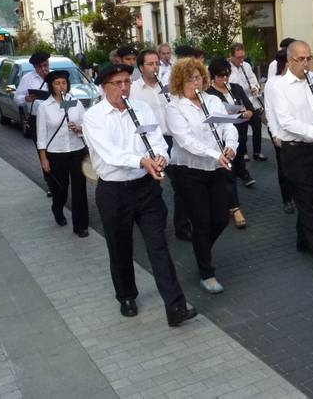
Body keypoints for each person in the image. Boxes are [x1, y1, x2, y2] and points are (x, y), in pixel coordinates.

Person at [82, 64, 197, 326]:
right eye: (117, 83)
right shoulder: (94, 117)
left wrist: (160, 159)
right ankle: (126, 296)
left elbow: (156, 139)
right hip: (113, 191)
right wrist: (141, 161)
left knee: (158, 246)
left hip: (145, 189)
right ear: (104, 87)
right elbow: (109, 154)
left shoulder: (141, 109)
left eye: (127, 82)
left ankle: (175, 306)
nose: (124, 88)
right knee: (120, 247)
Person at [166, 58, 238, 294]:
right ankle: (207, 272)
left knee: (220, 218)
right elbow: (185, 140)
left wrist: (231, 146)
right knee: (201, 221)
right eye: (190, 79)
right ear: (179, 81)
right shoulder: (174, 107)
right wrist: (214, 153)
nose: (195, 82)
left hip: (215, 168)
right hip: (188, 170)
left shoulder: (213, 100)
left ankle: (202, 248)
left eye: (198, 77)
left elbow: (229, 126)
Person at [272, 40, 313, 271]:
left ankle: (303, 239)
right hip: (295, 150)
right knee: (307, 200)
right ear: (289, 60)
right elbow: (286, 121)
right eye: (300, 59)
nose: (306, 63)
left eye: (309, 58)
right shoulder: (278, 86)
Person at [129, 49, 192, 241]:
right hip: (150, 143)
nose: (155, 67)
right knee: (154, 187)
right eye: (150, 64)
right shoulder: (133, 89)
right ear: (141, 67)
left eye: (156, 63)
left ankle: (182, 227)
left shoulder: (168, 85)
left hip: (173, 138)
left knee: (181, 185)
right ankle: (155, 225)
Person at [36, 70, 89, 237]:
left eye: (64, 83)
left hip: (76, 150)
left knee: (79, 189)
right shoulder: (44, 107)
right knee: (61, 188)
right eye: (57, 83)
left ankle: (80, 225)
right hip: (56, 152)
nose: (61, 86)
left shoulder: (75, 103)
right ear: (51, 86)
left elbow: (87, 126)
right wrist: (43, 158)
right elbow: (41, 136)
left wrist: (79, 129)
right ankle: (57, 209)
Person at [206, 58, 256, 228]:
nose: (225, 79)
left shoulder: (236, 88)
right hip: (222, 139)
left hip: (240, 134)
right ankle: (235, 209)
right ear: (213, 76)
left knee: (236, 166)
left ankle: (227, 201)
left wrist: (247, 112)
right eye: (221, 76)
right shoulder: (209, 94)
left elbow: (250, 107)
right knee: (228, 173)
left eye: (227, 75)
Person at [15, 51, 53, 196]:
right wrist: (26, 98)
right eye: (41, 66)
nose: (44, 69)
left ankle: (59, 180)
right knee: (43, 152)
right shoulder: (28, 79)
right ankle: (50, 184)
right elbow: (17, 98)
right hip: (36, 120)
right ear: (35, 67)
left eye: (46, 65)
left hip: (54, 120)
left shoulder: (54, 76)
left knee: (56, 152)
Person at [264, 49, 295, 214]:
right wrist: (275, 133)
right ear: (286, 63)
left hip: (296, 130)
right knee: (284, 165)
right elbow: (269, 109)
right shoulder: (273, 83)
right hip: (279, 130)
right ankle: (287, 198)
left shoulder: (297, 80)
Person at [228, 43, 266, 161]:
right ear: (231, 56)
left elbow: (252, 78)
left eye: (243, 57)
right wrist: (245, 88)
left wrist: (255, 86)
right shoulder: (228, 68)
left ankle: (257, 151)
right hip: (239, 103)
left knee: (257, 126)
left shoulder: (247, 65)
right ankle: (243, 152)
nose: (241, 60)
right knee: (242, 130)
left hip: (251, 101)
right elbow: (232, 84)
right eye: (238, 57)